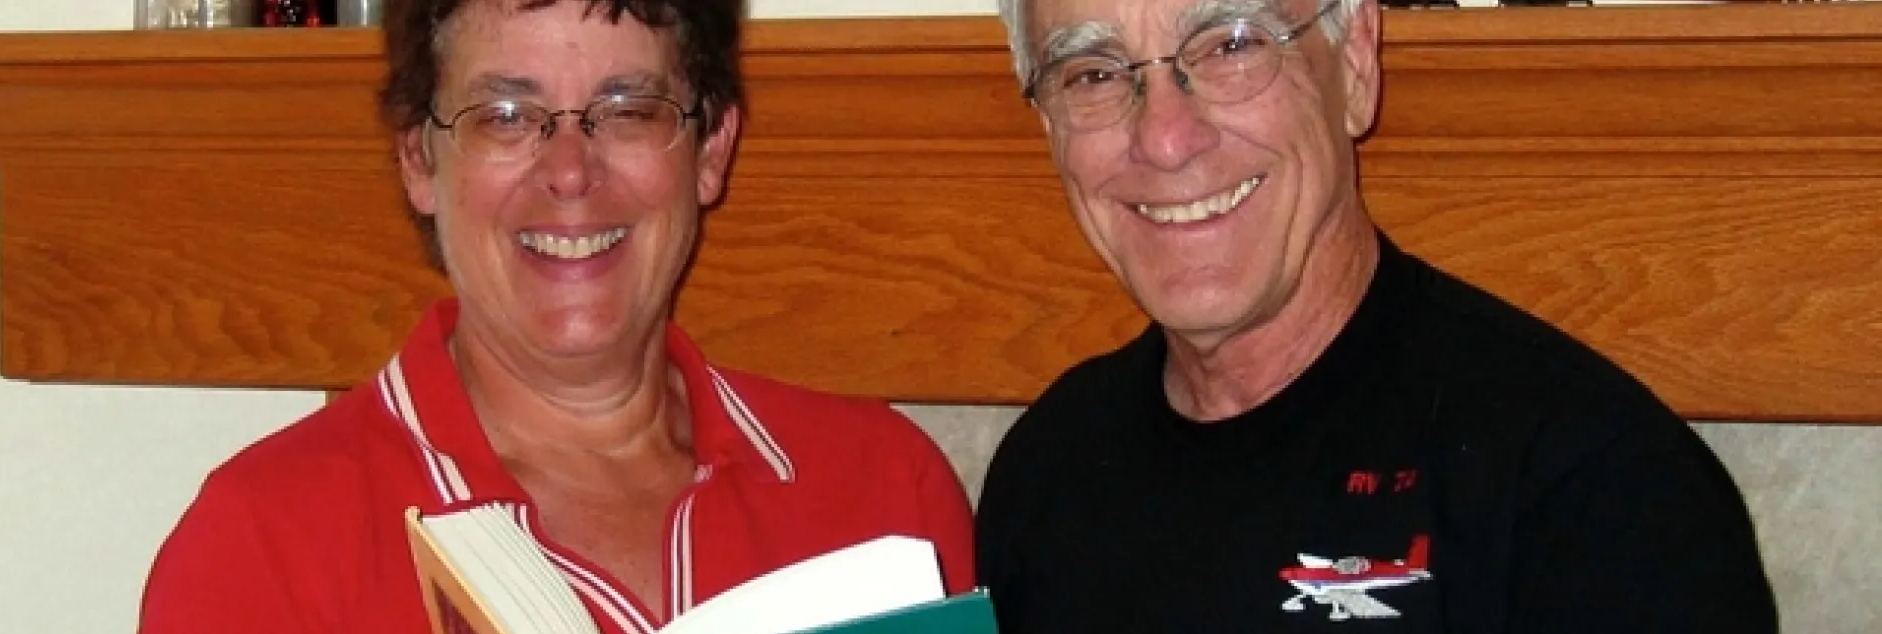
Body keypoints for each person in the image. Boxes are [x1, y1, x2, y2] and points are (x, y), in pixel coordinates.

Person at [137, 1, 975, 631]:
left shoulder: (886, 490)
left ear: (712, 150)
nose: (570, 172)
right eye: (505, 116)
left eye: (628, 109)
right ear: (418, 160)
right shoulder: (263, 544)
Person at [973, 0, 1778, 631]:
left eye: (1231, 44)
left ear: (1355, 61)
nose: (1166, 138)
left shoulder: (1598, 493)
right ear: (1047, 124)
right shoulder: (1045, 476)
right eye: (1092, 73)